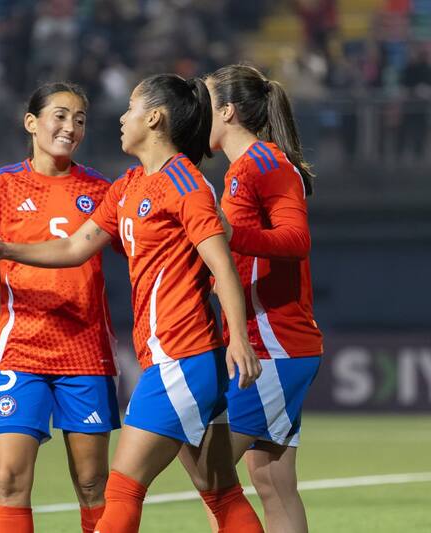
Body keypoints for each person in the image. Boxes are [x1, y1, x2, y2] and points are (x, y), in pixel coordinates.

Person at [0, 74, 265, 533]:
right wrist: (3, 249)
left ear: (153, 118)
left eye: (131, 107)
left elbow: (223, 266)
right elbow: (73, 248)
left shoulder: (186, 185)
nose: (120, 117)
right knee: (220, 489)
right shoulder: (128, 186)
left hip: (183, 356)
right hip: (173, 359)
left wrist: (238, 337)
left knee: (120, 488)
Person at [0, 81, 121, 533]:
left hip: (85, 351)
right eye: (60, 115)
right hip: (21, 351)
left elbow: (139, 248)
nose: (70, 127)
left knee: (92, 483)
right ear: (31, 122)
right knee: (9, 480)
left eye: (80, 119)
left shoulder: (102, 189)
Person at [202, 64, 323, 533]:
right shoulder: (244, 169)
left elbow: (297, 240)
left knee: (212, 473)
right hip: (270, 342)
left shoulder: (265, 164)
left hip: (274, 344)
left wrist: (234, 233)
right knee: (271, 481)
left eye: (206, 106)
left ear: (228, 112)